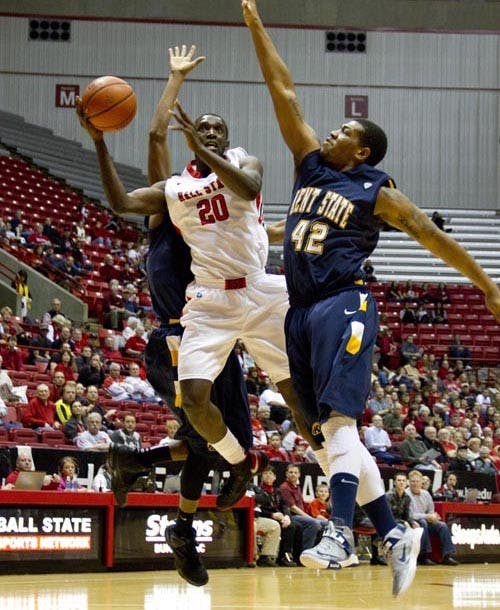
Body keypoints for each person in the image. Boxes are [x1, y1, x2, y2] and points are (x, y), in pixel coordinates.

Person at [244, 0, 498, 594]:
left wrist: (486, 285)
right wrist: (255, 21)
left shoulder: (374, 189)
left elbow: (432, 237)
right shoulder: (309, 170)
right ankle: (389, 531)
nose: (331, 131)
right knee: (325, 433)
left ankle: (339, 535)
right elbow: (284, 92)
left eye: (345, 132)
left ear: (361, 152)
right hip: (299, 310)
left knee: (337, 422)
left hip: (344, 301)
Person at [76, 44, 326, 511]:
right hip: (204, 306)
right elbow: (128, 193)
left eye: (216, 129)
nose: (208, 132)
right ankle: (235, 468)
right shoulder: (173, 193)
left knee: (293, 392)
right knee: (196, 412)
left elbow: (249, 188)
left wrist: (205, 153)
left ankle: (333, 461)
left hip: (257, 289)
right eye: (202, 127)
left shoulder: (243, 162)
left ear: (226, 138)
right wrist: (99, 140)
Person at [406, 470, 459, 565]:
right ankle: (424, 555)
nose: (415, 484)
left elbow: (431, 510)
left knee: (442, 525)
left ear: (421, 482)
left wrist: (433, 517)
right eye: (412, 481)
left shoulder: (426, 494)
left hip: (426, 521)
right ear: (409, 482)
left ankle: (447, 555)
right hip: (412, 523)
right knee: (423, 522)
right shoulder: (406, 494)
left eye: (417, 481)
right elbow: (410, 514)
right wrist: (427, 516)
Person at [278, 464, 329, 562]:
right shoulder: (285, 487)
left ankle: (319, 552)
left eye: (295, 472)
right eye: (291, 472)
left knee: (326, 524)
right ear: (286, 474)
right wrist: (309, 517)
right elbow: (293, 508)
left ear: (299, 475)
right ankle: (305, 554)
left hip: (302, 516)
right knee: (314, 523)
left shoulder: (297, 487)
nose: (293, 474)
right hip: (292, 516)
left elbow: (302, 504)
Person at [386, 473, 435, 565]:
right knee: (404, 527)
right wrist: (404, 522)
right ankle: (404, 556)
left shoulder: (407, 497)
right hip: (391, 521)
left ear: (406, 483)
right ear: (394, 483)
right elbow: (389, 516)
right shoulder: (389, 496)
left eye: (403, 481)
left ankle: (421, 555)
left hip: (402, 521)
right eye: (399, 480)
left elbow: (407, 515)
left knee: (417, 526)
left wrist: (411, 522)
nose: (401, 483)